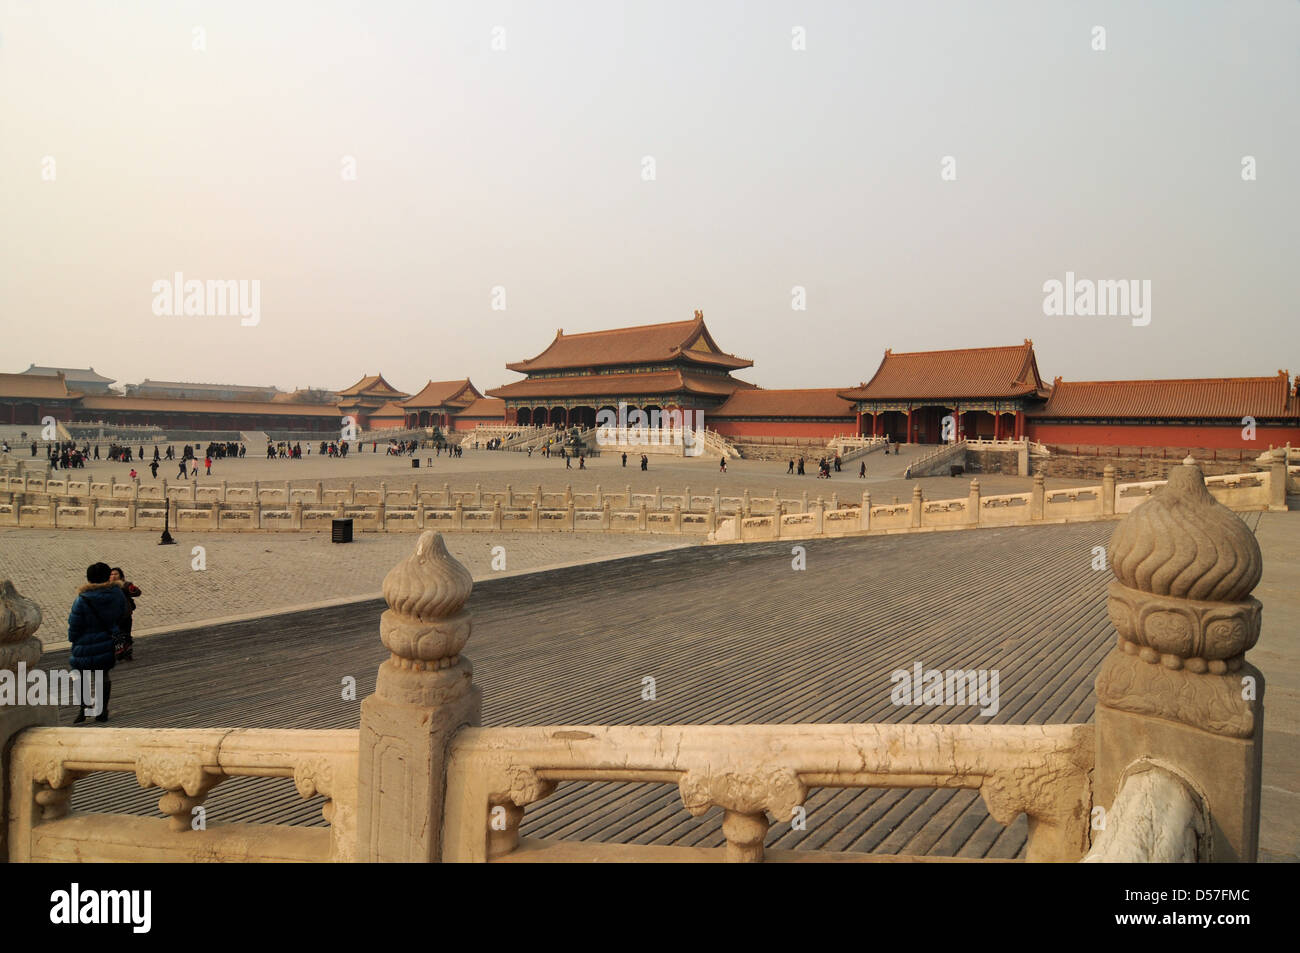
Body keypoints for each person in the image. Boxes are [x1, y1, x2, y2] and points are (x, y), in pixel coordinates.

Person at [67, 562, 125, 723]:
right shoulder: (116, 594)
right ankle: (102, 710)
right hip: (106, 639)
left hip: (83, 642)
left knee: (78, 674)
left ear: (89, 578)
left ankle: (84, 708)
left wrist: (73, 638)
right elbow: (123, 613)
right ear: (107, 576)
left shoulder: (82, 599)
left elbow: (74, 623)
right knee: (103, 674)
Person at [109, 567, 141, 662]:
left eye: (116, 574)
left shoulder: (125, 585)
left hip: (125, 615)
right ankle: (119, 650)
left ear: (121, 576)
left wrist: (133, 590)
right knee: (116, 635)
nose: (113, 576)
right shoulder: (106, 587)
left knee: (126, 634)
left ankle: (127, 651)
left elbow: (137, 593)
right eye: (111, 574)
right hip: (113, 616)